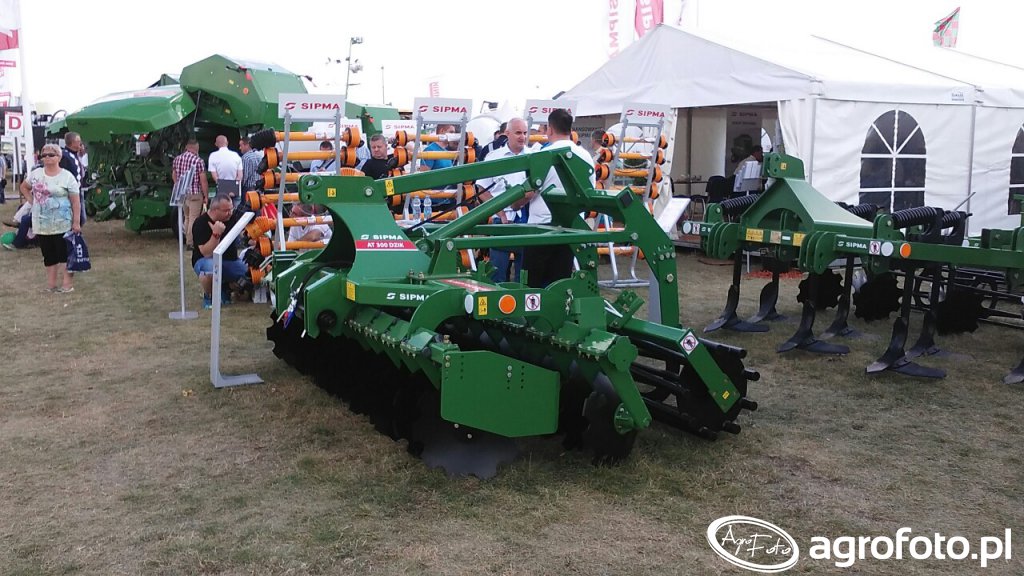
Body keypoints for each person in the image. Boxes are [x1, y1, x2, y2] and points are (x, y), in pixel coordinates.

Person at [513, 109, 595, 288]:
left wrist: (514, 204)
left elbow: (528, 192)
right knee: (559, 286)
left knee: (531, 289)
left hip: (540, 229)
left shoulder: (542, 156)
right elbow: (589, 192)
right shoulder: (586, 157)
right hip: (569, 230)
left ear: (549, 129)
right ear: (570, 129)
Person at [20, 143, 81, 293]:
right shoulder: (36, 174)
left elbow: (75, 201)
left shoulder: (67, 176)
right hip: (42, 223)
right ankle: (51, 285)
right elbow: (24, 187)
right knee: (48, 255)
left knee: (64, 255)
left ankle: (67, 285)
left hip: (63, 223)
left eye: (51, 155)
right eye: (44, 155)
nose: (47, 157)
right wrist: (31, 201)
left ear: (59, 157)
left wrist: (76, 222)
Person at [476, 117, 529, 283]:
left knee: (525, 275)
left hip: (528, 221)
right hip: (501, 221)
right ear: (507, 133)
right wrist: (500, 212)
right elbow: (481, 189)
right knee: (497, 274)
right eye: (518, 133)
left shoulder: (534, 156)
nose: (522, 137)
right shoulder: (494, 157)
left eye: (525, 133)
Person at [192, 193, 246, 309]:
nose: (230, 213)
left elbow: (243, 235)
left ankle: (226, 288)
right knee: (211, 268)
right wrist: (216, 234)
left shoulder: (232, 218)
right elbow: (206, 253)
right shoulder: (200, 223)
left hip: (229, 261)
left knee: (248, 275)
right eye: (226, 210)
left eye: (231, 209)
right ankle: (208, 296)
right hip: (205, 261)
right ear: (215, 210)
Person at [172, 139, 209, 248]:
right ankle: (190, 242)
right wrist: (206, 195)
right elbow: (203, 180)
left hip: (183, 193)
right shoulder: (198, 161)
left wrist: (177, 185)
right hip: (195, 193)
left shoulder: (177, 159)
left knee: (187, 217)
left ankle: (187, 238)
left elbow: (174, 174)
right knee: (193, 218)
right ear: (195, 147)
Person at [208, 135, 243, 207]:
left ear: (216, 144)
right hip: (235, 188)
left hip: (221, 188)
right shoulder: (236, 155)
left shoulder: (213, 156)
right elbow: (240, 175)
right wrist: (233, 187)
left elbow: (214, 176)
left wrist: (224, 187)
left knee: (222, 210)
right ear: (227, 143)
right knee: (237, 210)